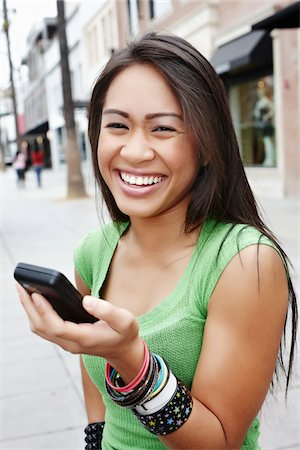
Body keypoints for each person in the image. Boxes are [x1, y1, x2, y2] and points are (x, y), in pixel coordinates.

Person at [16, 33, 297, 450]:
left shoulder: (244, 262)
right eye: (117, 125)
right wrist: (95, 439)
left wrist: (133, 360)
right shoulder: (95, 252)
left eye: (163, 128)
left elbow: (219, 443)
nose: (135, 150)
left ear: (206, 145)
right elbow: (91, 363)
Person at [254, 85, 275, 166]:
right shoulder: (259, 102)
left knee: (268, 142)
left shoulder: (266, 101)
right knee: (266, 143)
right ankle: (268, 159)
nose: (260, 94)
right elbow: (256, 114)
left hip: (266, 125)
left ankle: (270, 160)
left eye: (261, 92)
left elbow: (273, 110)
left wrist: (267, 116)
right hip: (261, 125)